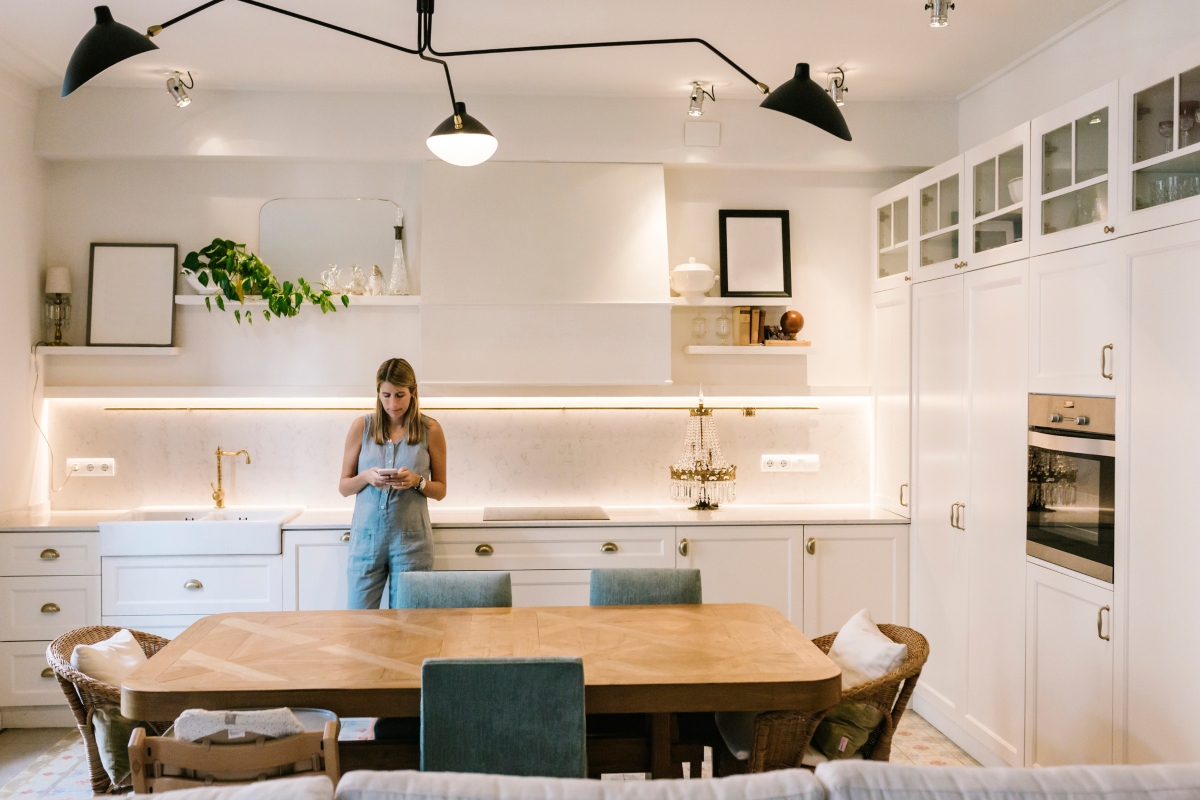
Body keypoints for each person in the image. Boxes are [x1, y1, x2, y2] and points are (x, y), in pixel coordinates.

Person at [339, 358, 446, 608]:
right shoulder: (361, 427)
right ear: (377, 393)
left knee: (409, 629)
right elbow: (344, 487)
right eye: (386, 395)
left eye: (400, 395)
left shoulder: (431, 429)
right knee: (361, 624)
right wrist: (366, 476)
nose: (393, 404)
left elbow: (440, 490)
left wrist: (417, 481)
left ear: (413, 392)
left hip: (412, 543)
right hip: (366, 541)